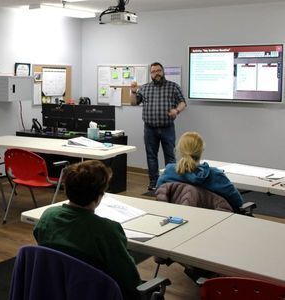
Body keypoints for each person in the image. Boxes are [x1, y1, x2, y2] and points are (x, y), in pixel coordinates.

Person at [33, 160, 141, 300]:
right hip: (97, 293)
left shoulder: (48, 216)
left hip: (56, 287)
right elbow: (130, 279)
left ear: (66, 189)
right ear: (99, 196)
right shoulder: (107, 230)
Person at [130, 62, 187, 191]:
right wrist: (133, 92)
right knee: (151, 156)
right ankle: (153, 182)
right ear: (150, 74)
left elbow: (183, 102)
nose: (156, 73)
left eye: (159, 70)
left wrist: (176, 111)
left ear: (163, 71)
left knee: (170, 156)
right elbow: (133, 103)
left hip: (167, 128)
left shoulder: (173, 86)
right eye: (154, 71)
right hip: (149, 128)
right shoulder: (145, 88)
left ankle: (170, 182)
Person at [156, 131, 244, 211]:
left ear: (179, 150)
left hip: (176, 220)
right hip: (213, 223)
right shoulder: (216, 176)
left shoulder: (169, 172)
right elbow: (238, 203)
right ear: (201, 150)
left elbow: (159, 193)